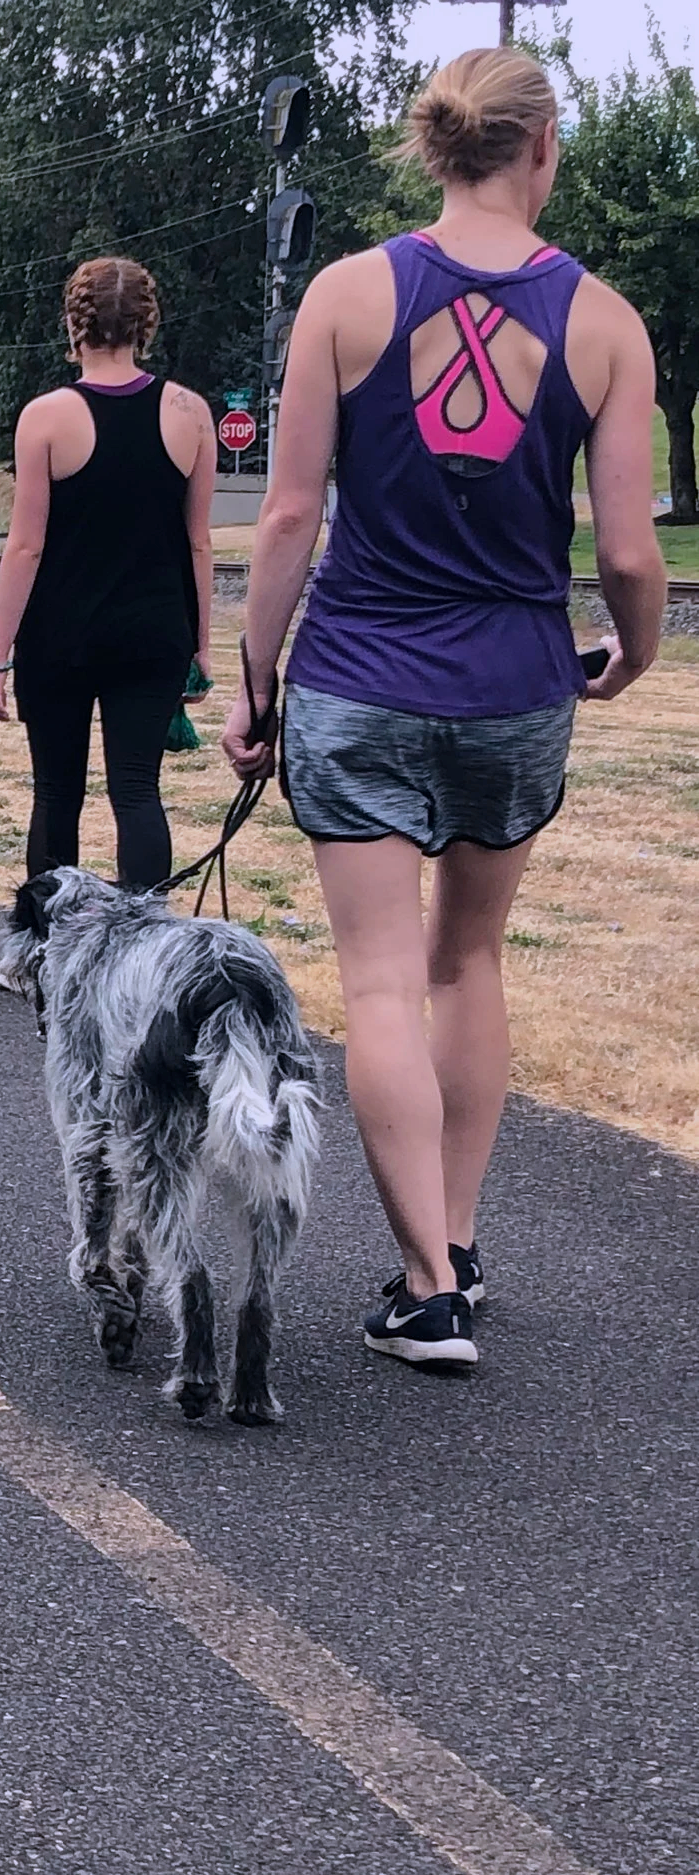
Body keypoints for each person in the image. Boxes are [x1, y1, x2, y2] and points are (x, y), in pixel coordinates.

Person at [221, 48, 665, 1368]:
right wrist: (629, 652)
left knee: (376, 977)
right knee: (469, 958)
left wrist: (254, 682)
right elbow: (632, 555)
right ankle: (457, 1245)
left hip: (361, 674)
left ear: (437, 149)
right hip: (516, 682)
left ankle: (425, 1284)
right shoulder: (607, 324)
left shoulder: (349, 293)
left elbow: (290, 512)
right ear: (545, 150)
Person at [0, 258, 216, 887]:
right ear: (146, 325)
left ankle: (47, 947)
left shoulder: (46, 417)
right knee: (137, 791)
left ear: (72, 323)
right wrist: (202, 646)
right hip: (154, 630)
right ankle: (142, 945)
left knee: (56, 793)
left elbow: (25, 546)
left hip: (61, 633)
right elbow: (198, 542)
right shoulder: (191, 413)